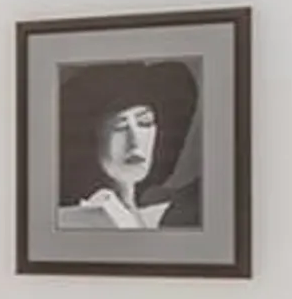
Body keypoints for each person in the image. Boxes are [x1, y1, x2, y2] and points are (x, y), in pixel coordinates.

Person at [57, 58, 201, 229]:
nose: (135, 140)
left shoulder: (170, 213)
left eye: (145, 122)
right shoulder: (75, 220)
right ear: (92, 139)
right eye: (120, 126)